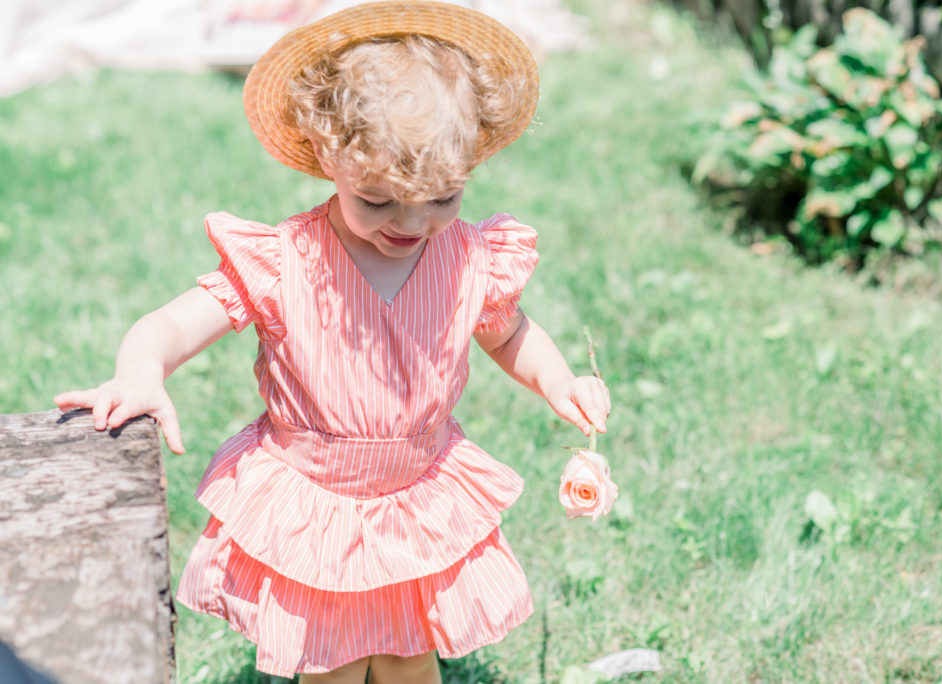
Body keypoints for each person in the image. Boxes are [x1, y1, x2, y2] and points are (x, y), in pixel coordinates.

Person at [54, 2, 610, 681]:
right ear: (327, 155)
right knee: (331, 666)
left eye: (444, 197)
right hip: (316, 504)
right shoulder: (284, 260)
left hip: (416, 495)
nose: (413, 223)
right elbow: (171, 323)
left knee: (411, 656)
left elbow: (508, 332)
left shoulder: (468, 257)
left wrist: (559, 382)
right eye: (377, 200)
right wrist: (141, 372)